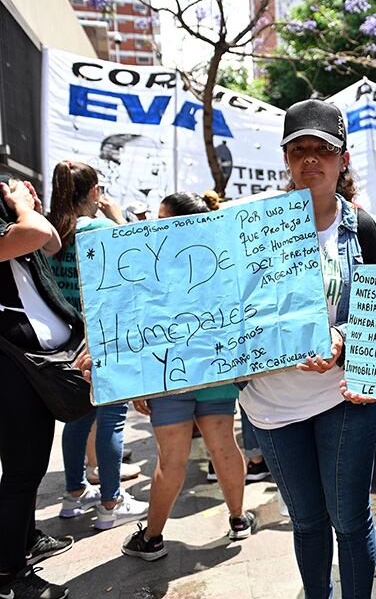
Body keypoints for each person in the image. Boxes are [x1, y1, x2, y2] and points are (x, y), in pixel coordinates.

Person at [239, 99, 376, 599]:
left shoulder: (371, 233)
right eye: (299, 149)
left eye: (323, 149)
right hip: (270, 407)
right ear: (286, 159)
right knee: (307, 522)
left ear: (342, 158)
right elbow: (217, 307)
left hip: (343, 399)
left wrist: (346, 337)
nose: (311, 159)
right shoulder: (250, 228)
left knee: (350, 522)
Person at [121, 190, 256, 561]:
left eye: (161, 220)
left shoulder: (150, 269)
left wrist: (139, 383)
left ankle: (151, 538)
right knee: (224, 446)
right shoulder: (221, 263)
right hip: (214, 371)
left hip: (169, 376)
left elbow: (140, 329)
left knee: (172, 460)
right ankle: (239, 519)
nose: (154, 227)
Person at [45, 160, 150, 531]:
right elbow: (140, 264)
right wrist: (119, 218)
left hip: (68, 341)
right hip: (106, 338)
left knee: (79, 417)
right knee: (111, 419)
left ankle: (74, 493)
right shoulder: (103, 229)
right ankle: (111, 502)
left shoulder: (50, 233)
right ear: (94, 193)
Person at [0, 175, 77, 599]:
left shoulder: (14, 216)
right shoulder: (14, 220)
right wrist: (21, 207)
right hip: (11, 364)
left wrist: (24, 206)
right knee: (21, 470)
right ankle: (8, 576)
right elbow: (32, 233)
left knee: (27, 466)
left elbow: (49, 242)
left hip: (31, 364)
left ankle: (25, 539)